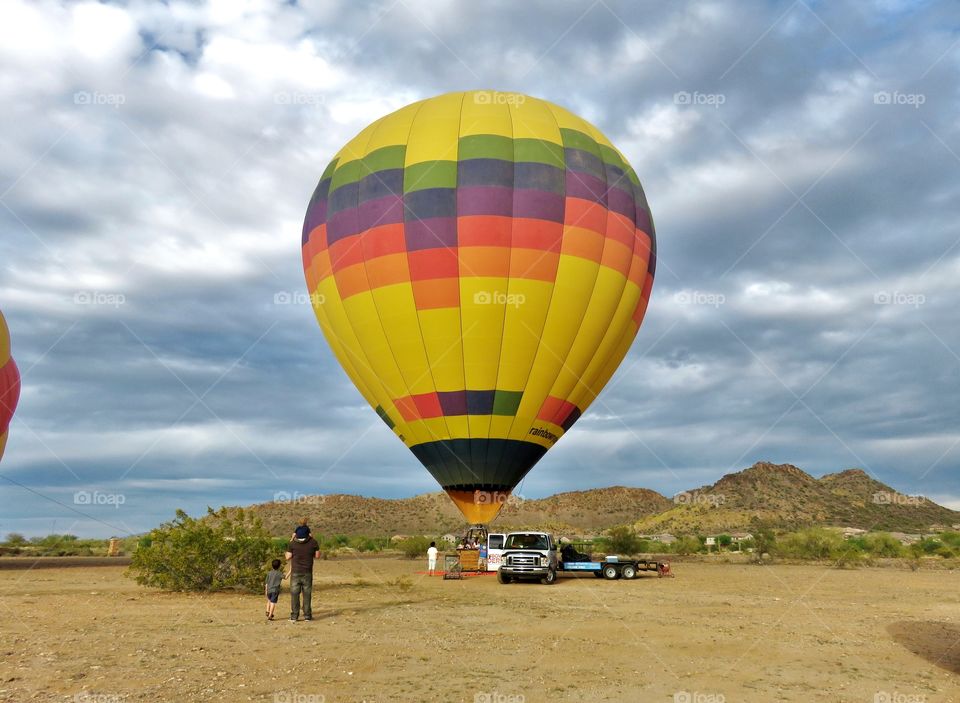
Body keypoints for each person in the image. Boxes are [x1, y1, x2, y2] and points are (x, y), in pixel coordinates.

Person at [285, 525, 321, 621]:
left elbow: (287, 557)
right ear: (308, 534)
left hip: (296, 572)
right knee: (307, 594)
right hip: (307, 572)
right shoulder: (313, 542)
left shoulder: (292, 544)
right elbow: (317, 556)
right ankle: (307, 616)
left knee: (294, 595)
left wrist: (291, 539)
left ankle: (294, 616)